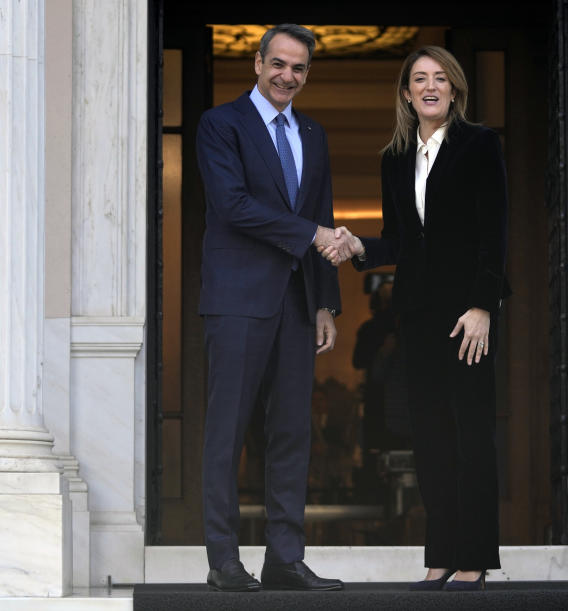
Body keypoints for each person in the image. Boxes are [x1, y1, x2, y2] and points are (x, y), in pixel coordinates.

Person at [322, 45, 510, 591]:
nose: (430, 86)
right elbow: (404, 241)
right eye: (419, 79)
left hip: (468, 312)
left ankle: (474, 557)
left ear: (454, 89)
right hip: (419, 312)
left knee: (470, 432)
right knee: (428, 437)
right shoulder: (395, 157)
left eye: (440, 78)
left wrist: (483, 306)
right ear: (406, 93)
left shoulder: (480, 145)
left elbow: (494, 231)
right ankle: (441, 556)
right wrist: (361, 245)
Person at [195, 24, 348, 592]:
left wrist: (326, 302)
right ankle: (223, 561)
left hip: (297, 303)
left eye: (299, 68)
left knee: (291, 432)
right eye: (278, 64)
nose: (288, 76)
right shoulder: (221, 124)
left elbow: (323, 207)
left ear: (307, 73)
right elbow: (232, 206)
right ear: (257, 64)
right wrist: (311, 233)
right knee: (227, 430)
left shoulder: (313, 131)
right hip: (237, 299)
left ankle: (284, 558)